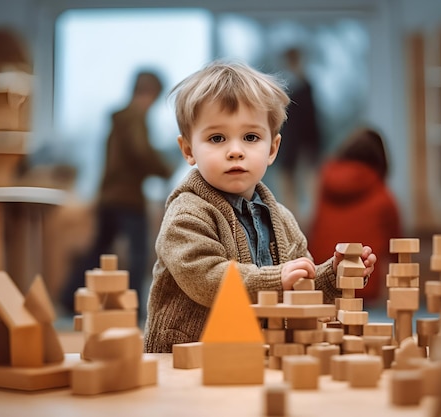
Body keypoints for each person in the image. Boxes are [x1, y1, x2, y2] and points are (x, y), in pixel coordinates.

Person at [143, 61, 376, 353]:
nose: (236, 150)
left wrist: (334, 275)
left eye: (251, 137)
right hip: (187, 355)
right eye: (217, 138)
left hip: (256, 353)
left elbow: (299, 286)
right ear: (189, 150)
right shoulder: (188, 213)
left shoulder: (283, 219)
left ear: (272, 149)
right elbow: (206, 279)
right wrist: (277, 278)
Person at [60, 70, 173, 314]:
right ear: (151, 93)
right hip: (127, 198)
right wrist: (164, 169)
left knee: (97, 251)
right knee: (138, 253)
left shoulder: (119, 119)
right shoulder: (135, 118)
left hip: (109, 196)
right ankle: (133, 309)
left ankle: (70, 297)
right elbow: (140, 152)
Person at [307, 127, 402, 303]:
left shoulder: (326, 184)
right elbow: (398, 249)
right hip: (362, 284)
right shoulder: (382, 194)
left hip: (319, 277)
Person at [276, 47, 321, 229]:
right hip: (288, 148)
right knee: (288, 195)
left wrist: (309, 151)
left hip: (303, 149)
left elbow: (310, 123)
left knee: (310, 193)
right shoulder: (285, 88)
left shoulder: (305, 88)